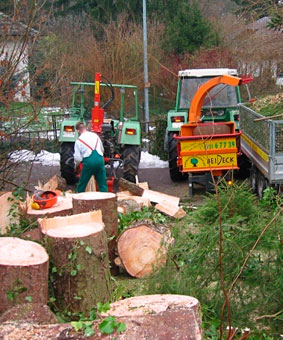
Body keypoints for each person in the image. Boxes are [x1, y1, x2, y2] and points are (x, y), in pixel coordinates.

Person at [74, 122, 108, 192]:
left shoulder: (78, 141)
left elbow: (78, 158)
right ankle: (106, 198)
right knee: (102, 184)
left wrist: (76, 166)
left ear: (78, 131)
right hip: (100, 160)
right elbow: (102, 149)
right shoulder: (95, 136)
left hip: (89, 163)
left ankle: (79, 198)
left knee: (82, 184)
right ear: (85, 128)